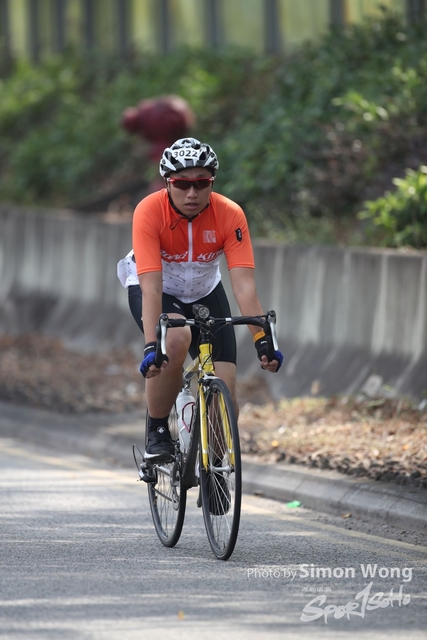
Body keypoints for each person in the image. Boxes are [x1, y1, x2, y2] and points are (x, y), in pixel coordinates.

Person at [117, 137, 283, 461]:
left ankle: (216, 470)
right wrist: (152, 345)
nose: (191, 193)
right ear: (168, 183)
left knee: (227, 393)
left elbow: (244, 287)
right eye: (182, 184)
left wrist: (262, 339)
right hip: (158, 288)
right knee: (176, 337)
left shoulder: (229, 214)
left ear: (212, 182)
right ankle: (158, 430)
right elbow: (151, 288)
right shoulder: (150, 211)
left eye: (201, 183)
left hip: (205, 291)